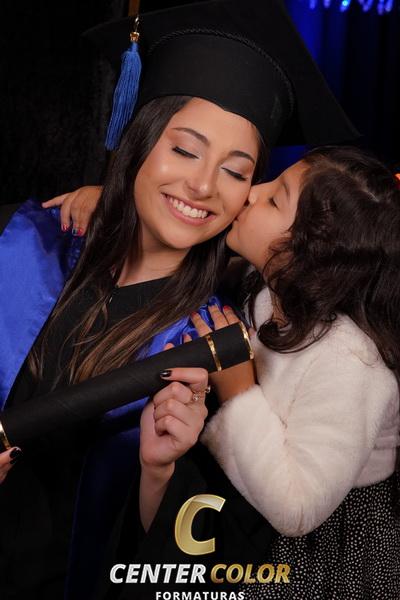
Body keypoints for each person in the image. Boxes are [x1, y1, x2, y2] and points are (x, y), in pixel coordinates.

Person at [0, 1, 358, 599]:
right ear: (138, 139)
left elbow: (212, 569)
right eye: (185, 150)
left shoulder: (217, 350)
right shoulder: (19, 242)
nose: (203, 185)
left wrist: (158, 474)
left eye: (236, 172)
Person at [131, 145, 399, 599]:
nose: (253, 193)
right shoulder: (270, 284)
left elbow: (296, 509)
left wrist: (237, 391)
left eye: (275, 199)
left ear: (312, 253)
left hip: (315, 551)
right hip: (247, 494)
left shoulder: (352, 364)